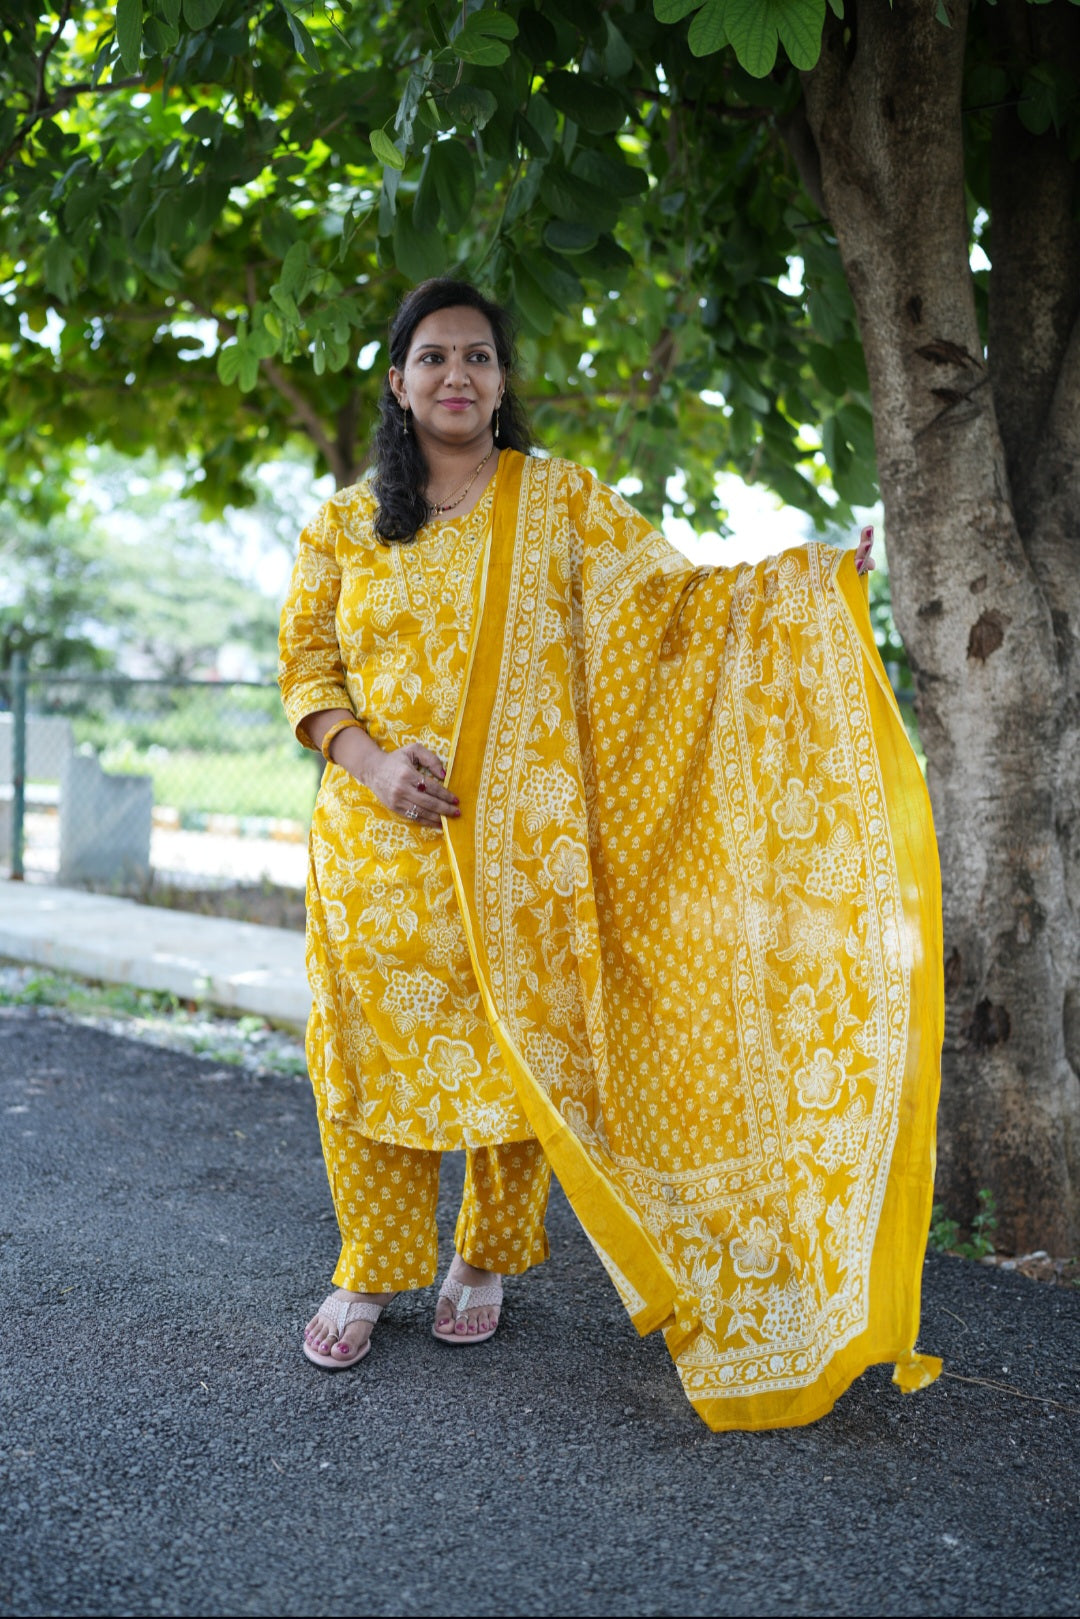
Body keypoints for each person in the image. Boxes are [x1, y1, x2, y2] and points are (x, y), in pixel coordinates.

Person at [278, 277, 942, 1432]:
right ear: (397, 381)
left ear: (501, 382)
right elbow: (307, 673)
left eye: (478, 356)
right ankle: (368, 1270)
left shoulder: (561, 504)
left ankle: (480, 1261)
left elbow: (675, 612)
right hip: (378, 855)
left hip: (524, 856)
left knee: (511, 1058)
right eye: (433, 356)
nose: (456, 375)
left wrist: (810, 582)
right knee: (369, 1061)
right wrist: (372, 762)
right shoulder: (342, 525)